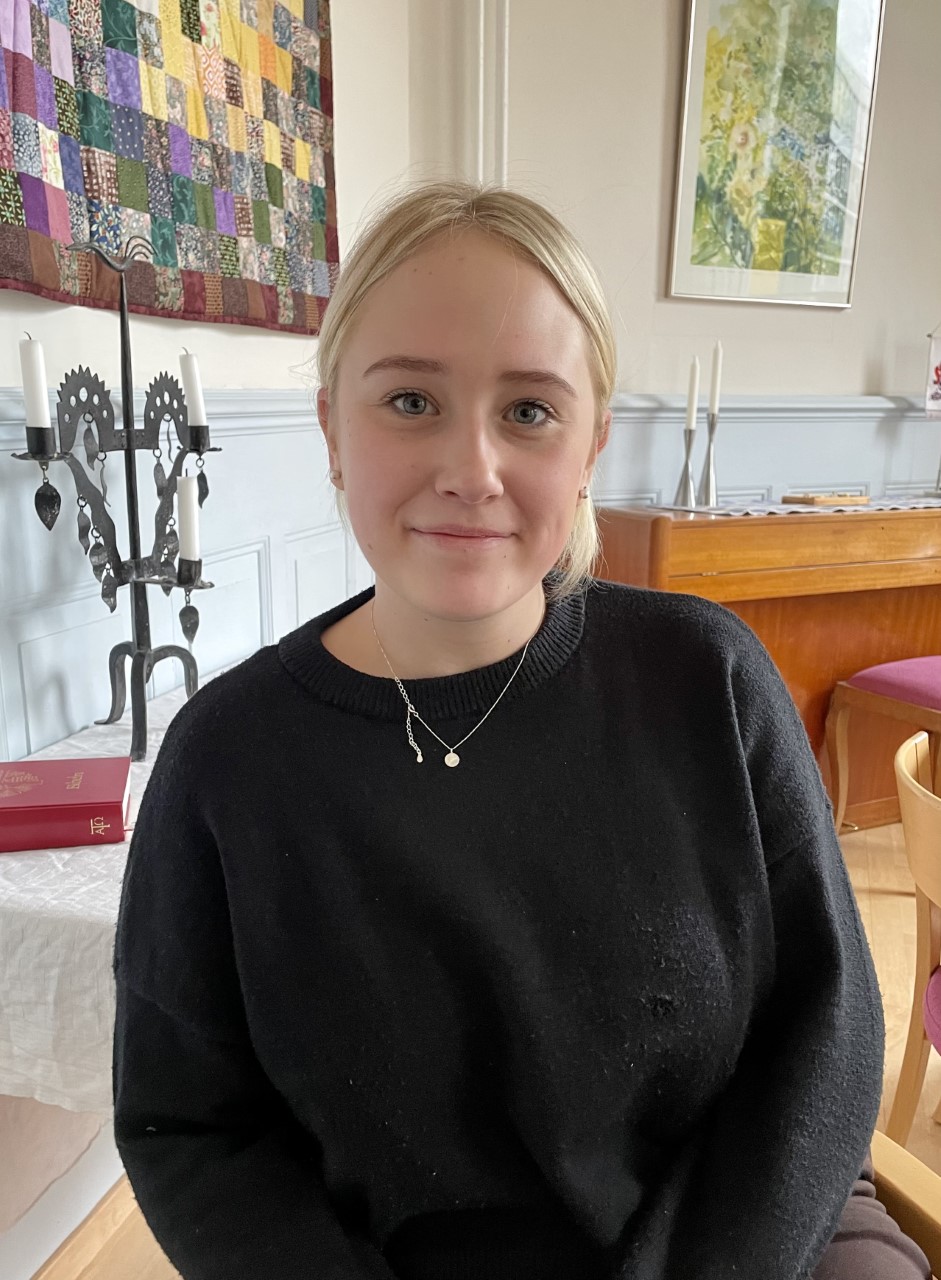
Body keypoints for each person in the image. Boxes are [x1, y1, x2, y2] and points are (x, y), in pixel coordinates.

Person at [112, 182, 931, 1280]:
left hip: (752, 1237)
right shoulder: (226, 761)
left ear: (591, 446)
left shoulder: (707, 677)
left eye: (529, 411)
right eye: (410, 401)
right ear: (331, 428)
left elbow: (824, 1031)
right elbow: (191, 1127)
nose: (470, 471)